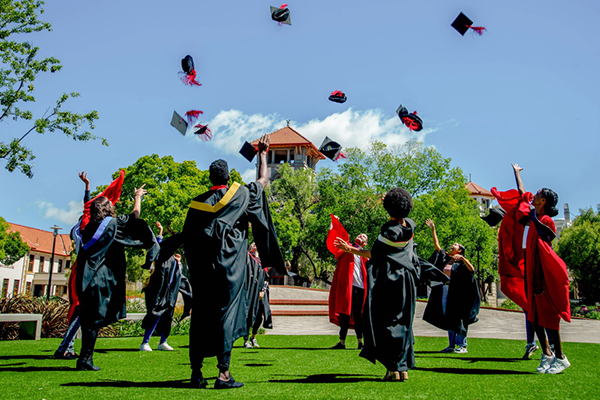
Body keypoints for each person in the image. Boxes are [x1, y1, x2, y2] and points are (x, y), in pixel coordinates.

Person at [182, 134, 286, 389]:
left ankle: (196, 373)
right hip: (230, 269)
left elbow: (188, 239)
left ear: (210, 179)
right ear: (228, 178)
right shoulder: (239, 194)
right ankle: (223, 374)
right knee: (225, 316)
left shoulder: (197, 204)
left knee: (201, 316)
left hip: (203, 271)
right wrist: (262, 154)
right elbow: (262, 181)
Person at [334, 187, 447, 382]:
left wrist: (350, 249)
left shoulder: (389, 231)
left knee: (387, 322)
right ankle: (403, 368)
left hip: (391, 280)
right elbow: (399, 213)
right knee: (404, 323)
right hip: (409, 280)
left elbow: (373, 254)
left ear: (389, 209)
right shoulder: (410, 226)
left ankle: (392, 369)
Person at [491, 164, 571, 374]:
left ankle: (560, 357)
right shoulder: (532, 217)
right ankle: (546, 354)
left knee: (548, 316)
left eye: (537, 196)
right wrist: (516, 174)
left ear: (543, 201)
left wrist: (537, 276)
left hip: (540, 273)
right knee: (534, 315)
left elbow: (546, 248)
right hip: (529, 270)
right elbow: (521, 194)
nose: (532, 197)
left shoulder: (544, 221)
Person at [73, 183, 160, 371]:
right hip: (102, 279)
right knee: (94, 320)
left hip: (85, 278)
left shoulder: (88, 228)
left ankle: (84, 359)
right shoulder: (113, 224)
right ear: (107, 209)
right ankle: (85, 359)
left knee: (89, 321)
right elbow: (135, 217)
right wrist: (137, 197)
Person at [422, 219, 480, 354]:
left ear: (460, 250)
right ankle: (451, 345)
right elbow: (437, 245)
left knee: (460, 317)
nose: (452, 246)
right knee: (449, 317)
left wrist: (463, 259)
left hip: (460, 293)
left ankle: (462, 345)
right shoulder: (445, 258)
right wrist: (433, 229)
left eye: (455, 245)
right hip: (447, 290)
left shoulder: (462, 263)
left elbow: (472, 270)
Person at [139, 223, 192, 352]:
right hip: (159, 291)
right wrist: (160, 232)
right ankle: (145, 342)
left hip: (170, 292)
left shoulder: (173, 260)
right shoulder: (161, 256)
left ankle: (163, 341)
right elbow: (159, 245)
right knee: (155, 314)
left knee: (168, 315)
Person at [54, 172, 90, 359]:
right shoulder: (84, 230)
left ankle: (67, 347)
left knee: (78, 310)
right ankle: (65, 347)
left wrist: (87, 187)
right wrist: (87, 188)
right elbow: (87, 210)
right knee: (79, 309)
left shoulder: (77, 231)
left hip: (78, 270)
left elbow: (87, 209)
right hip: (83, 271)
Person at [326, 215, 368, 350]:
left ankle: (360, 342)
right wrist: (334, 223)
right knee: (345, 314)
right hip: (347, 287)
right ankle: (342, 342)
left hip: (360, 288)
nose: (361, 236)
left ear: (365, 243)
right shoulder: (346, 247)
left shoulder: (365, 255)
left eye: (364, 237)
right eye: (360, 235)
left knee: (358, 315)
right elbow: (335, 240)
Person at [243, 244, 272, 349]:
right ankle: (246, 339)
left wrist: (263, 291)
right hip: (250, 292)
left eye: (256, 246)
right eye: (252, 245)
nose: (254, 247)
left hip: (260, 292)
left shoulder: (261, 262)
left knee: (259, 316)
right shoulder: (246, 260)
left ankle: (253, 336)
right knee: (248, 315)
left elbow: (266, 278)